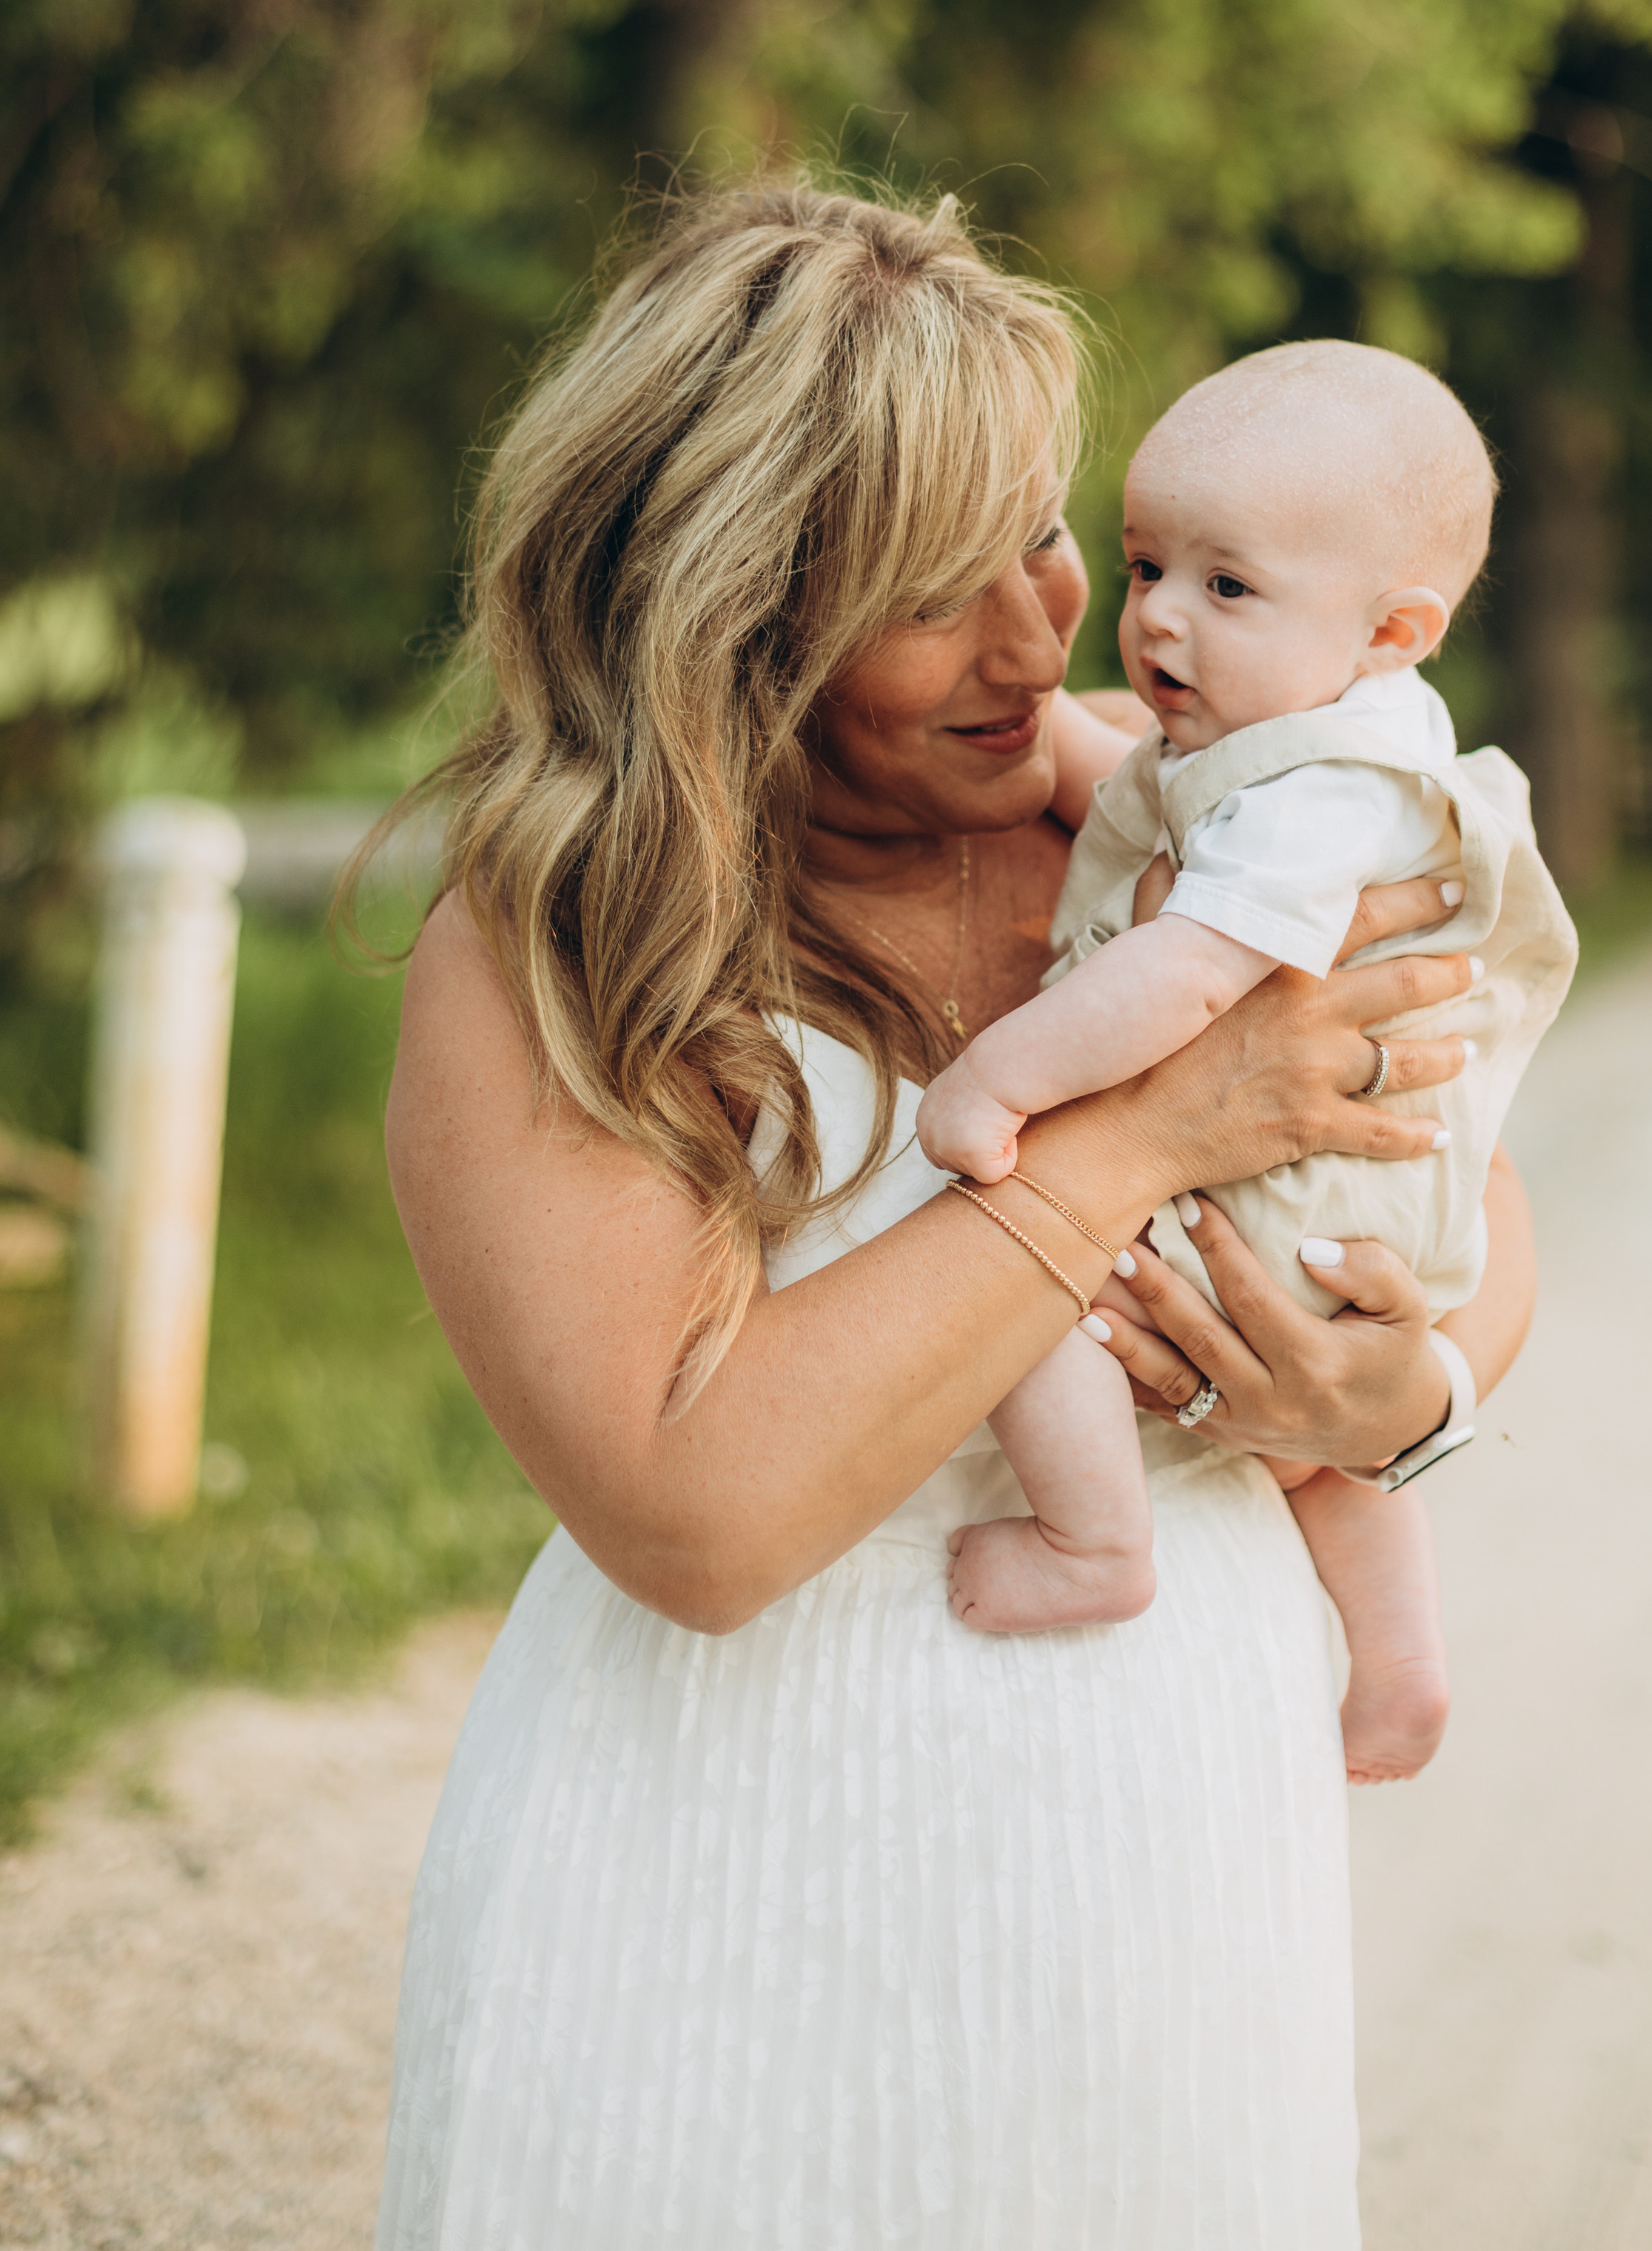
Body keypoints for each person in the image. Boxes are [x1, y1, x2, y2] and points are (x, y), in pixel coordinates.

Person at [369, 183, 1534, 2250]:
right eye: (932, 591)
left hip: (1169, 1821)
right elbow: (697, 1518)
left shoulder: (1163, 805)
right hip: (723, 1833)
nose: (1043, 637)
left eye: (1041, 535)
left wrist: (1401, 1389)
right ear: (725, 607)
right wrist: (1144, 1137)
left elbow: (1458, 1186)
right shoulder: (559, 939)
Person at [917, 343, 1577, 1785]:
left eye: (1224, 588)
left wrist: (997, 1080)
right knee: (1308, 1441)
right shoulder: (1289, 730)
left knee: (1032, 1287)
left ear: (1393, 629)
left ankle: (1092, 1543)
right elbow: (1138, 807)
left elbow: (1188, 966)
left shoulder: (1317, 795)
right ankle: (1399, 1666)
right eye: (1146, 562)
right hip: (1345, 1206)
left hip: (1275, 1186)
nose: (1153, 618)